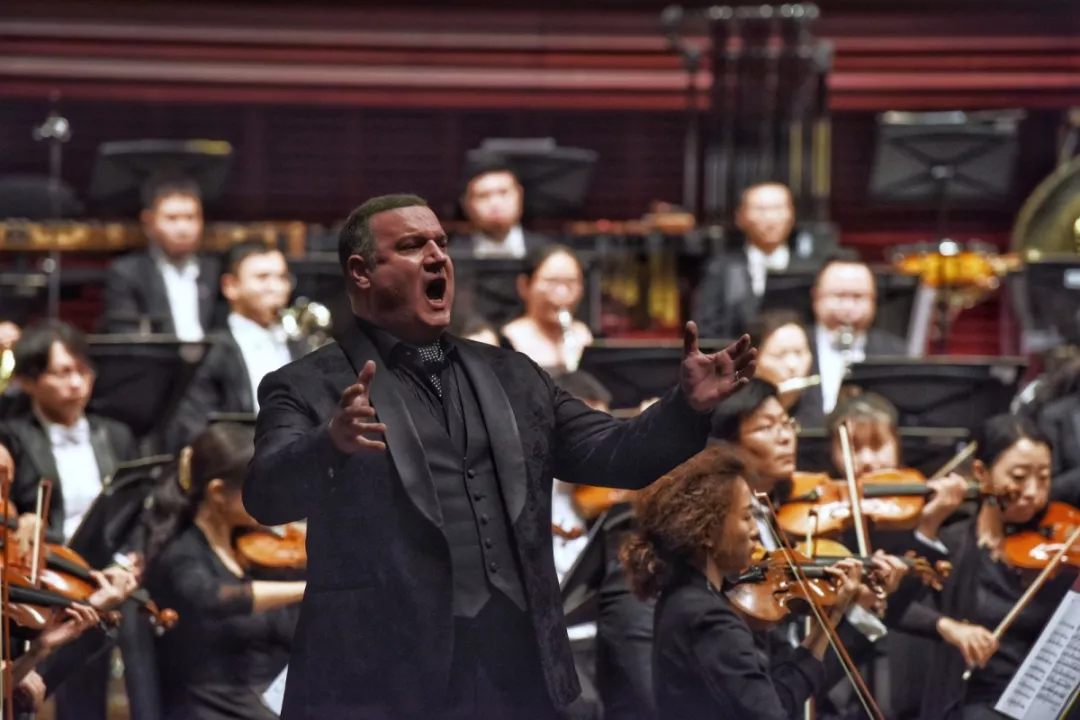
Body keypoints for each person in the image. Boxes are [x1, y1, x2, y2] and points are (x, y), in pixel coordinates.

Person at [242, 193, 757, 719]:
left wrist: (686, 407)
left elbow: (619, 455)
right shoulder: (306, 385)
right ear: (362, 271)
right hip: (380, 681)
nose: (437, 257)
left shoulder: (515, 376)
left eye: (442, 244)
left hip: (516, 674)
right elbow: (265, 496)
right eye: (413, 245)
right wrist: (329, 443)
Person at [621, 442, 864, 719]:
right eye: (747, 517)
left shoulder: (685, 597)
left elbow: (771, 703)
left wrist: (827, 623)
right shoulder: (707, 618)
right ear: (706, 531)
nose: (755, 531)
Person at [897, 414, 1069, 720]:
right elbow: (894, 604)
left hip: (1051, 701)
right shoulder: (952, 545)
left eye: (1043, 478)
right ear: (981, 472)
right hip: (976, 701)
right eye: (1019, 477)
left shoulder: (1062, 546)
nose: (1032, 491)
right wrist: (950, 628)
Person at [142, 422, 306, 720]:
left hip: (270, 697)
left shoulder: (254, 545)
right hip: (215, 706)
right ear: (218, 492)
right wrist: (308, 588)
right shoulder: (179, 554)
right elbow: (214, 597)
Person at [6, 320, 138, 545]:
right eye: (63, 373)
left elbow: (134, 511)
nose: (77, 383)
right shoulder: (12, 441)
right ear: (27, 382)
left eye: (83, 371)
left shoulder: (117, 435)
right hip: (48, 558)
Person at [171, 241, 307, 448]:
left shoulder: (301, 344)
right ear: (230, 286)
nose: (276, 287)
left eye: (282, 278)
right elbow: (193, 427)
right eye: (262, 278)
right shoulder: (210, 351)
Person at [692, 182, 840, 339]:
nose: (770, 219)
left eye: (778, 209)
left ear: (792, 215)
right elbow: (706, 327)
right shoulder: (720, 269)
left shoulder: (815, 268)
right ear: (740, 217)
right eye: (761, 210)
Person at [102, 173, 220, 339]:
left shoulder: (216, 270)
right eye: (172, 218)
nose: (183, 229)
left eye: (190, 217)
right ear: (148, 222)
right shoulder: (127, 273)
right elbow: (126, 337)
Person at [810, 258, 907, 413]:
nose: (848, 308)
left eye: (858, 297)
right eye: (839, 296)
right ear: (816, 297)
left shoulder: (897, 353)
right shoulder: (792, 346)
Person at [501, 245, 594, 374]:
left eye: (571, 282)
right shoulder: (506, 340)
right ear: (525, 285)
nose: (562, 292)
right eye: (551, 282)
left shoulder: (584, 336)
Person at [748, 310, 821, 427]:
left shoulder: (819, 406)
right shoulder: (739, 414)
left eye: (799, 353)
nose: (793, 365)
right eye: (779, 355)